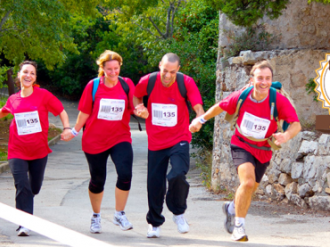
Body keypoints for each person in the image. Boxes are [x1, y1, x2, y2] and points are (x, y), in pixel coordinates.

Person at [189, 60, 301, 242]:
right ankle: (238, 227)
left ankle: (231, 208)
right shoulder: (242, 96)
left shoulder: (277, 100)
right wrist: (200, 120)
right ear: (252, 79)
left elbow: (296, 124)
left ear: (272, 80)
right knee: (248, 182)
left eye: (267, 78)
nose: (263, 82)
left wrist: (286, 136)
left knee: (251, 188)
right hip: (241, 144)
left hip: (263, 149)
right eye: (260, 78)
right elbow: (220, 106)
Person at [61, 50, 143, 234]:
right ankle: (96, 216)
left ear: (120, 67)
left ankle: (119, 213)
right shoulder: (94, 85)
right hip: (94, 140)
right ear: (102, 69)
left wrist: (141, 110)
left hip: (120, 137)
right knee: (98, 180)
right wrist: (74, 131)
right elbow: (84, 112)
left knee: (125, 174)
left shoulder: (126, 84)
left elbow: (134, 106)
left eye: (116, 68)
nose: (113, 73)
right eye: (109, 69)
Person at [133, 53, 204, 238]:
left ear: (178, 70)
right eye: (165, 71)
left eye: (172, 72)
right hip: (156, 141)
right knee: (154, 184)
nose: (167, 76)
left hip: (179, 138)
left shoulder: (185, 82)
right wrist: (139, 107)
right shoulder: (148, 81)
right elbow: (135, 96)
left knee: (178, 173)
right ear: (159, 66)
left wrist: (199, 119)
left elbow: (198, 106)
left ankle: (178, 212)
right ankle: (155, 223)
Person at [0, 61, 71, 236]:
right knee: (21, 185)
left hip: (38, 150)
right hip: (16, 150)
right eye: (25, 72)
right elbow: (4, 110)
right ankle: (24, 222)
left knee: (34, 188)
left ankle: (25, 209)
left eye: (32, 73)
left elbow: (61, 110)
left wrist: (67, 128)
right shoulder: (13, 99)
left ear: (35, 77)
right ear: (19, 75)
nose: (28, 76)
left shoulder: (43, 96)